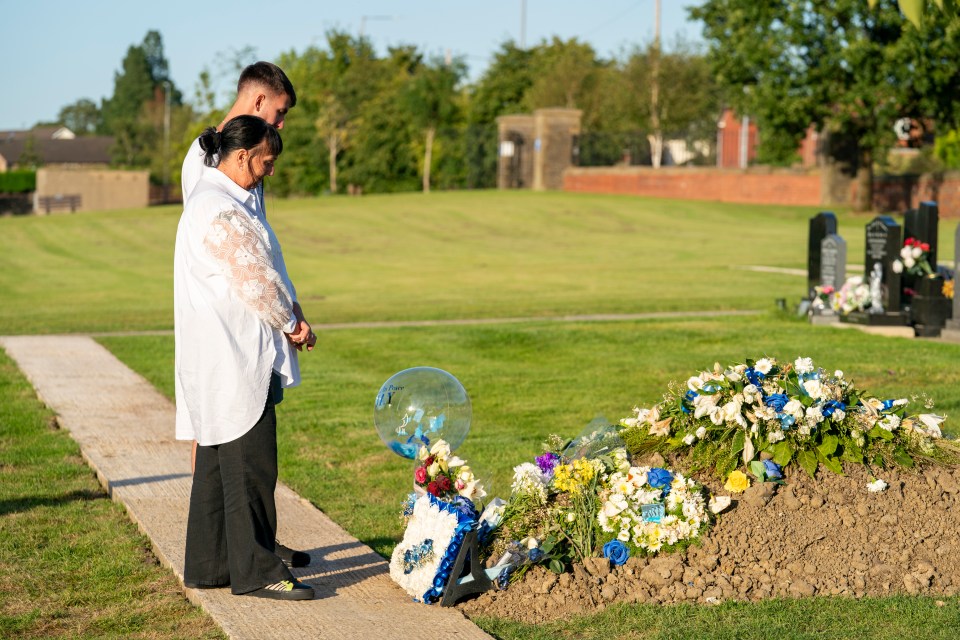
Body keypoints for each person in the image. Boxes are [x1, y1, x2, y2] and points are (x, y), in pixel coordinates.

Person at [174, 115, 317, 600]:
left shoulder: (212, 200)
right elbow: (254, 280)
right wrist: (293, 323)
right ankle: (259, 570)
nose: (268, 172)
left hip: (216, 352)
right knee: (253, 465)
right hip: (235, 354)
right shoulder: (221, 207)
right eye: (266, 161)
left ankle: (210, 563)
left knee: (216, 464)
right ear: (242, 155)